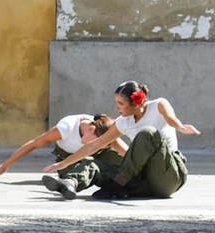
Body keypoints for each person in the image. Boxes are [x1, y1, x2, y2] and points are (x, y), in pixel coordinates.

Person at [46, 80, 199, 200]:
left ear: (136, 102)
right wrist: (64, 163)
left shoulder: (158, 105)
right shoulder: (123, 121)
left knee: (148, 133)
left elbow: (171, 118)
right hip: (143, 180)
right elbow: (95, 145)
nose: (116, 108)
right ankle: (69, 184)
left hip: (167, 178)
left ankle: (119, 184)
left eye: (120, 103)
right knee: (94, 164)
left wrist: (181, 127)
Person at [0, 113, 124, 199]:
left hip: (101, 156)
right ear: (91, 129)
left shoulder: (105, 131)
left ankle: (121, 185)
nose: (96, 145)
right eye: (97, 142)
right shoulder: (67, 127)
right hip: (68, 159)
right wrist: (5, 165)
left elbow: (128, 153)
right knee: (85, 165)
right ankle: (69, 183)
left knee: (121, 164)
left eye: (103, 144)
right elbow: (34, 143)